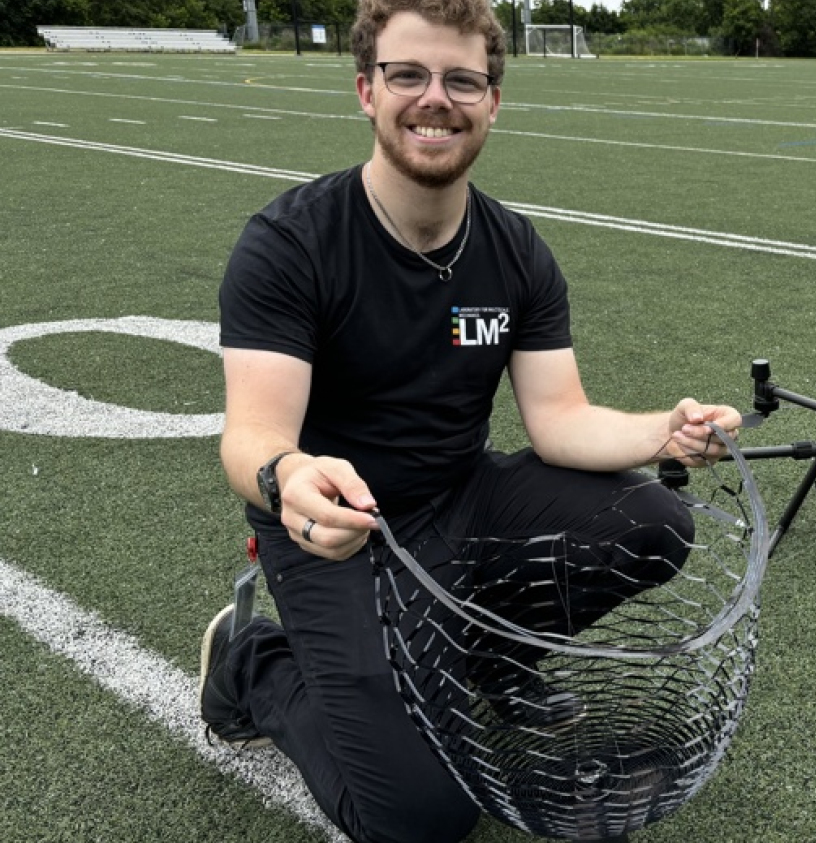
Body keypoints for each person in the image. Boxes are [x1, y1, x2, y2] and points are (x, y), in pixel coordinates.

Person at [199, 1, 741, 841]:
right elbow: (252, 436)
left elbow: (559, 418)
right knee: (421, 818)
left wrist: (661, 432)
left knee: (654, 522)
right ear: (365, 91)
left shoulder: (516, 250)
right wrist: (289, 476)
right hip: (336, 531)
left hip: (461, 500)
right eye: (407, 74)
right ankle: (253, 662)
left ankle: (491, 660)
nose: (434, 98)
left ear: (493, 101)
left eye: (461, 79)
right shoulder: (291, 242)